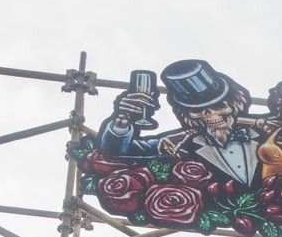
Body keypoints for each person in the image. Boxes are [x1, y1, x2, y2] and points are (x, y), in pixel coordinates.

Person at [99, 59, 261, 186]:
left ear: (234, 104)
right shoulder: (179, 143)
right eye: (197, 109)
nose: (209, 115)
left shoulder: (267, 134)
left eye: (219, 105)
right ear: (187, 115)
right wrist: (122, 121)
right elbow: (117, 151)